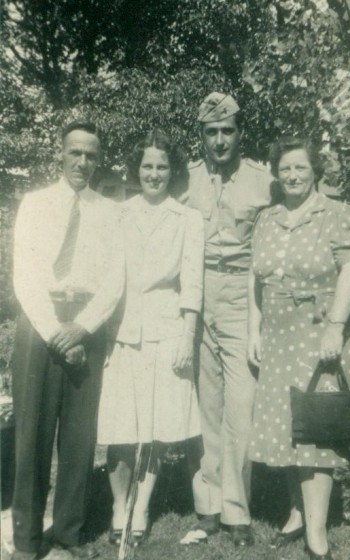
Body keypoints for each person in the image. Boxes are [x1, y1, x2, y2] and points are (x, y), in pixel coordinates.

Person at [247, 135, 350, 560]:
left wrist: (335, 327)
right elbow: (255, 279)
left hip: (320, 332)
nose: (293, 175)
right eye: (285, 169)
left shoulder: (338, 213)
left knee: (316, 429)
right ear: (276, 174)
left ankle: (317, 532)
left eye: (300, 167)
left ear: (315, 169)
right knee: (287, 426)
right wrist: (253, 327)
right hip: (278, 336)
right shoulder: (267, 218)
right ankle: (296, 512)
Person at [11, 121, 125, 560]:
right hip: (41, 326)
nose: (82, 162)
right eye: (75, 152)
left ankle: (68, 535)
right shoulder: (36, 204)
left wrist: (83, 328)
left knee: (79, 440)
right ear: (60, 154)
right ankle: (26, 540)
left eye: (91, 155)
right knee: (32, 437)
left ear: (99, 160)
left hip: (86, 326)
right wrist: (57, 332)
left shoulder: (110, 211)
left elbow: (115, 282)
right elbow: (25, 276)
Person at [97, 130, 204, 548]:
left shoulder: (187, 218)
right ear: (136, 169)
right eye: (147, 166)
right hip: (123, 331)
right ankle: (118, 507)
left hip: (166, 330)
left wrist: (187, 335)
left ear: (171, 171)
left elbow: (192, 283)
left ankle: (141, 507)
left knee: (156, 428)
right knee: (121, 427)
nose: (154, 173)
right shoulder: (118, 214)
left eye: (162, 166)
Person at [179, 93, 273, 547]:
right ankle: (209, 506)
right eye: (211, 132)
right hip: (197, 292)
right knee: (207, 406)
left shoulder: (263, 181)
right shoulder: (188, 179)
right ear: (201, 137)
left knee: (241, 408)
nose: (220, 140)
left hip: (242, 293)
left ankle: (238, 511)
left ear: (240, 134)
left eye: (228, 131)